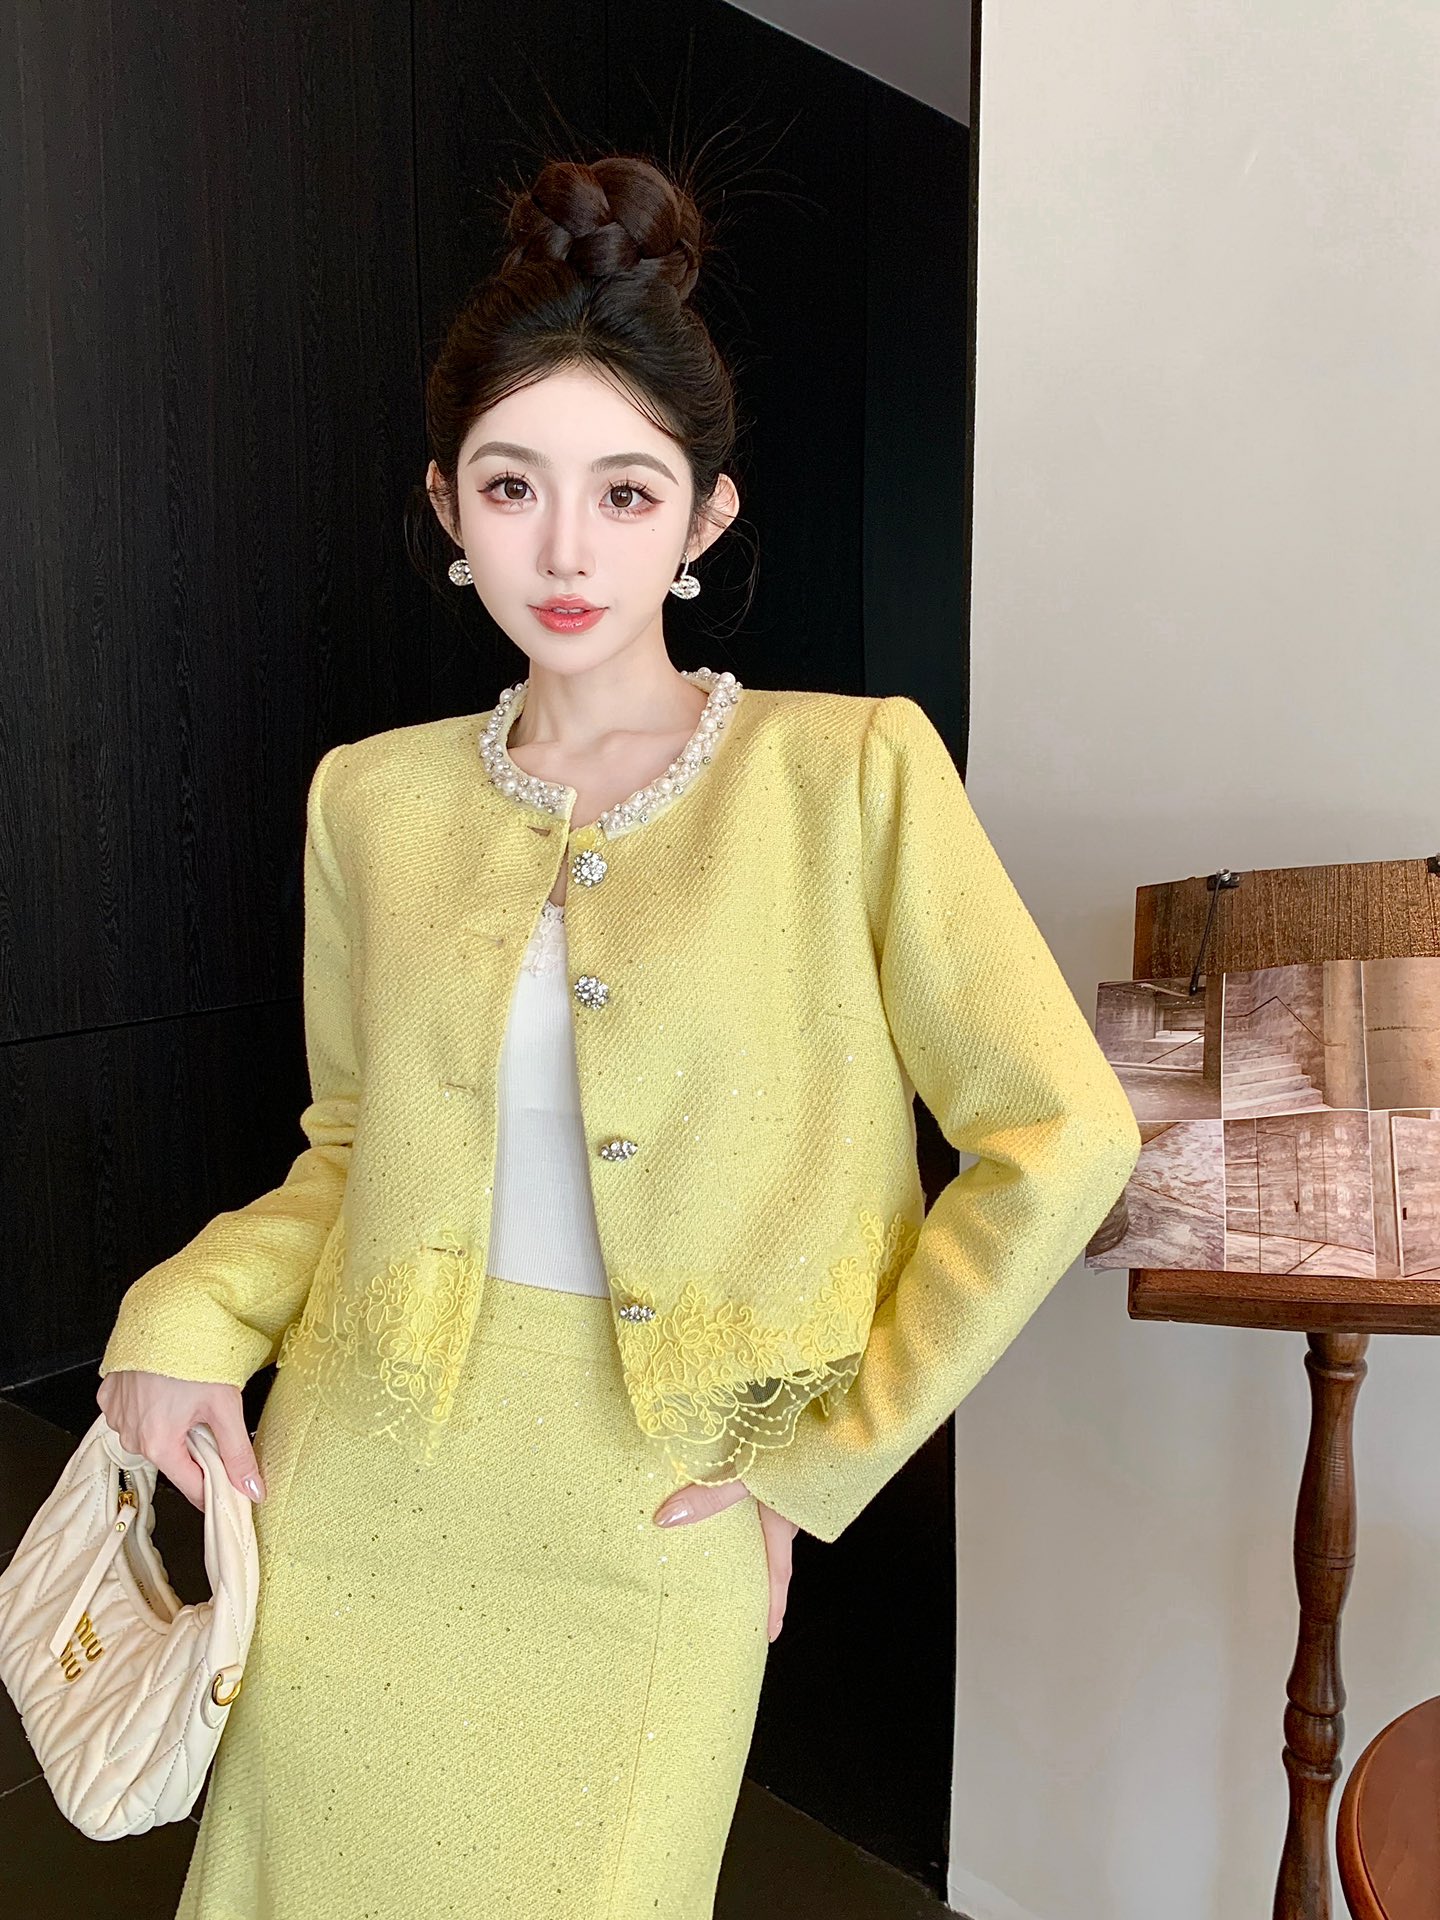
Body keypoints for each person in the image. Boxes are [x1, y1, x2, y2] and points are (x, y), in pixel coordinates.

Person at [95, 152, 1142, 1919]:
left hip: (660, 1504)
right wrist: (184, 1309)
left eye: (626, 491)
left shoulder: (849, 774)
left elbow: (1064, 1133)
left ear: (706, 516)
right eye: (513, 486)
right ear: (448, 503)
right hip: (361, 1476)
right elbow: (350, 1148)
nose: (567, 550)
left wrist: (825, 1461)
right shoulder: (370, 801)